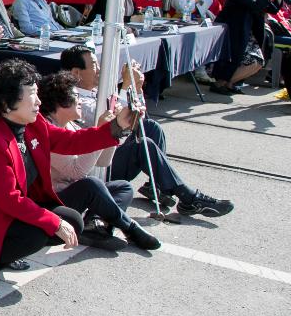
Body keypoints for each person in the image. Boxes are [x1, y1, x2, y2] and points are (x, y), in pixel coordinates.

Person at [0, 59, 135, 297]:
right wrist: (53, 222)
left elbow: (72, 141)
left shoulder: (31, 122)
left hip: (6, 212)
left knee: (71, 220)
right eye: (32, 94)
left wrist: (116, 127)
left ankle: (4, 254)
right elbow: (9, 200)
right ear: (7, 105)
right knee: (42, 230)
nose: (39, 101)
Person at [58, 46, 234, 216]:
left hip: (109, 151)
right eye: (95, 65)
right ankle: (188, 198)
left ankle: (156, 185)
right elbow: (120, 123)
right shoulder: (75, 100)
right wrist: (126, 86)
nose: (100, 69)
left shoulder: (97, 91)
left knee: (151, 128)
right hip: (94, 165)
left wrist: (137, 89)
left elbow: (139, 121)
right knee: (143, 145)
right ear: (76, 73)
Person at [37, 72, 160, 250]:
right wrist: (102, 131)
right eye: (75, 96)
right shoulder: (48, 131)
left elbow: (103, 162)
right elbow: (77, 171)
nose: (79, 100)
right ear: (59, 103)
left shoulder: (71, 125)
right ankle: (130, 227)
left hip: (75, 193)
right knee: (91, 184)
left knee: (123, 187)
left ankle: (94, 224)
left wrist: (111, 134)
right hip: (55, 200)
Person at [213, 0, 285, 94]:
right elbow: (256, 6)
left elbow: (272, 9)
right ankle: (220, 83)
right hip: (233, 33)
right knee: (253, 62)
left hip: (247, 34)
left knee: (258, 63)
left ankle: (228, 83)